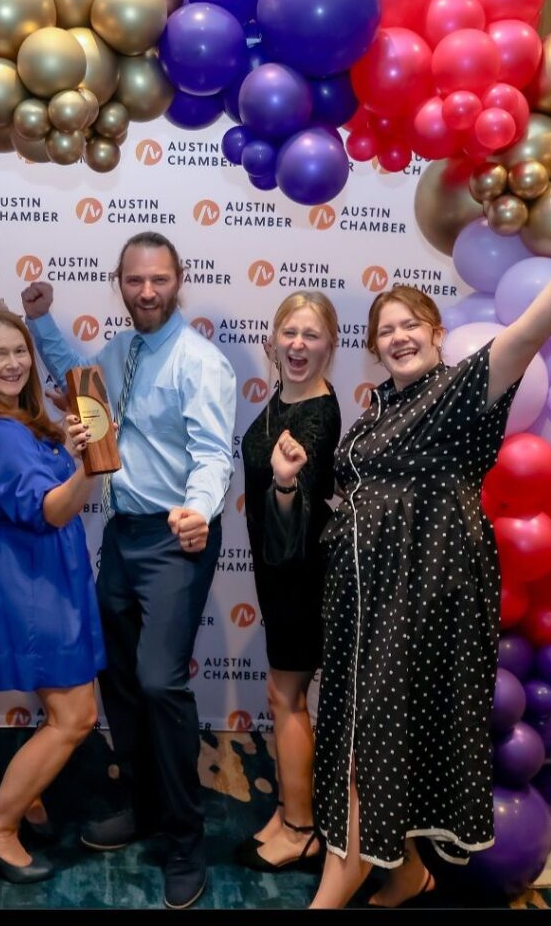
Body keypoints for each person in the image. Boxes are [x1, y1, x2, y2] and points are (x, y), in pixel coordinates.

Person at [309, 210, 551, 909]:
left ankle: (329, 896)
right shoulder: (375, 408)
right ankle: (406, 872)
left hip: (425, 600)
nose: (398, 336)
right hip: (360, 606)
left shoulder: (466, 388)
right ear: (376, 347)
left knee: (367, 745)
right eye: (386, 330)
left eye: (411, 324)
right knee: (361, 735)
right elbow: (358, 493)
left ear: (436, 334)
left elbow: (533, 326)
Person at [21, 230, 237, 910]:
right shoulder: (124, 350)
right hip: (121, 535)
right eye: (135, 281)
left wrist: (201, 509)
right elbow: (83, 378)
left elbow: (212, 454)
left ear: (180, 280)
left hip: (179, 535)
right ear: (120, 282)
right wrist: (38, 320)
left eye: (159, 280)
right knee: (118, 675)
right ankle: (143, 805)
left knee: (159, 680)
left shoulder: (201, 363)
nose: (147, 292)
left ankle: (184, 839)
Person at [0, 309, 105, 884]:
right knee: (75, 715)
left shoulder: (24, 418)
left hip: (50, 571)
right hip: (29, 576)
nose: (14, 362)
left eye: (20, 351)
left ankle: (29, 797)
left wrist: (72, 449)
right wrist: (92, 465)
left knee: (61, 709)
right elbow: (50, 509)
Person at [237, 292, 341, 874]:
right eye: (289, 333)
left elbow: (295, 524)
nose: (298, 345)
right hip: (276, 573)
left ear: (332, 344)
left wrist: (281, 486)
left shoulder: (318, 416)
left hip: (301, 575)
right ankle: (288, 809)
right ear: (273, 339)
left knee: (287, 697)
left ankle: (302, 828)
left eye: (311, 335)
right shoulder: (285, 397)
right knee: (284, 697)